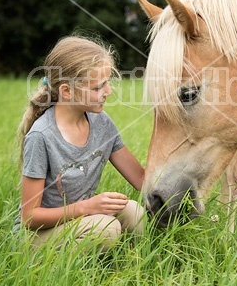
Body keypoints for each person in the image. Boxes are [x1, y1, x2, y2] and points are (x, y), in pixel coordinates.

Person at [14, 35, 145, 251]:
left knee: (134, 213)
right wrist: (87, 207)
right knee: (106, 228)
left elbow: (140, 179)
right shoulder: (42, 136)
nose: (108, 92)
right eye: (97, 87)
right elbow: (29, 217)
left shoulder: (101, 122)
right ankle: (48, 271)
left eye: (107, 84)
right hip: (38, 236)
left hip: (78, 222)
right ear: (66, 91)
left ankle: (126, 265)